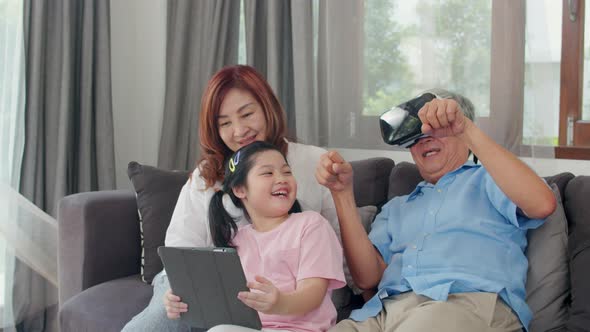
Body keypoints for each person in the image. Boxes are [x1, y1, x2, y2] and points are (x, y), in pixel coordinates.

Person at [122, 65, 342, 332]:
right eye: (225, 123)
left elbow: (334, 252)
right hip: (201, 281)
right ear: (239, 190)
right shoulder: (211, 182)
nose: (239, 131)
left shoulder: (312, 169)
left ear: (267, 107)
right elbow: (181, 255)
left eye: (247, 114)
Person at [315, 89, 556, 332]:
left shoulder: (491, 180)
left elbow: (542, 204)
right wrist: (342, 193)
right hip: (384, 312)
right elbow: (367, 279)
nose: (425, 138)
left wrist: (465, 128)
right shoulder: (397, 207)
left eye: (437, 129)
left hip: (465, 305)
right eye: (416, 135)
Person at [205, 141, 345, 331]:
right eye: (268, 173)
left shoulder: (311, 225)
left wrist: (280, 303)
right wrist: (184, 300)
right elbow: (220, 302)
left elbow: (313, 293)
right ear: (240, 190)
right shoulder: (235, 242)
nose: (282, 178)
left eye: (287, 172)